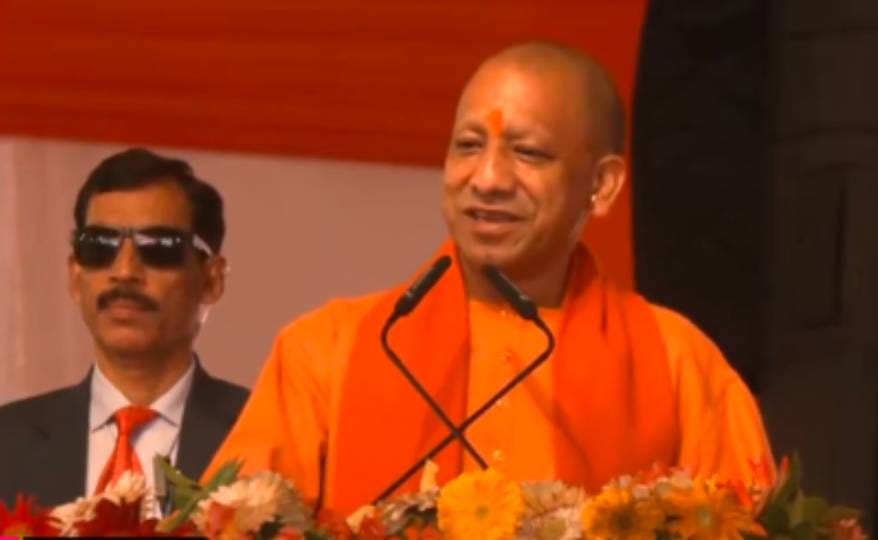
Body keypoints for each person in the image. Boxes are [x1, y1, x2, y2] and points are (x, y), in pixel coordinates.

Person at [207, 42, 772, 515]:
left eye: (528, 153)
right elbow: (230, 522)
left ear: (601, 186)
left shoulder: (678, 365)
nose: (488, 178)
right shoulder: (328, 352)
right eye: (469, 146)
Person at [0, 148, 248, 507]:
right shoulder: (7, 442)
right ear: (75, 276)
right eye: (100, 247)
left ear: (211, 280)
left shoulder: (265, 435)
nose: (125, 271)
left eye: (158, 247)